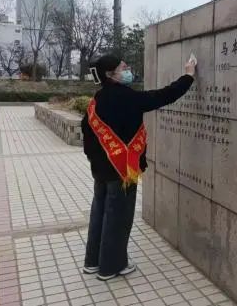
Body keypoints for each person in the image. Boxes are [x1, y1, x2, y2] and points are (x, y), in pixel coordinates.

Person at [81, 53, 196, 280]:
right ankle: (111, 267)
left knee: (100, 214)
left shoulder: (98, 98)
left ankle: (93, 262)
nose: (128, 70)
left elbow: (87, 132)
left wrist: (96, 161)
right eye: (123, 68)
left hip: (101, 171)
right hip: (122, 171)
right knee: (118, 217)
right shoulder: (126, 97)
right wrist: (188, 76)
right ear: (110, 74)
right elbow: (163, 95)